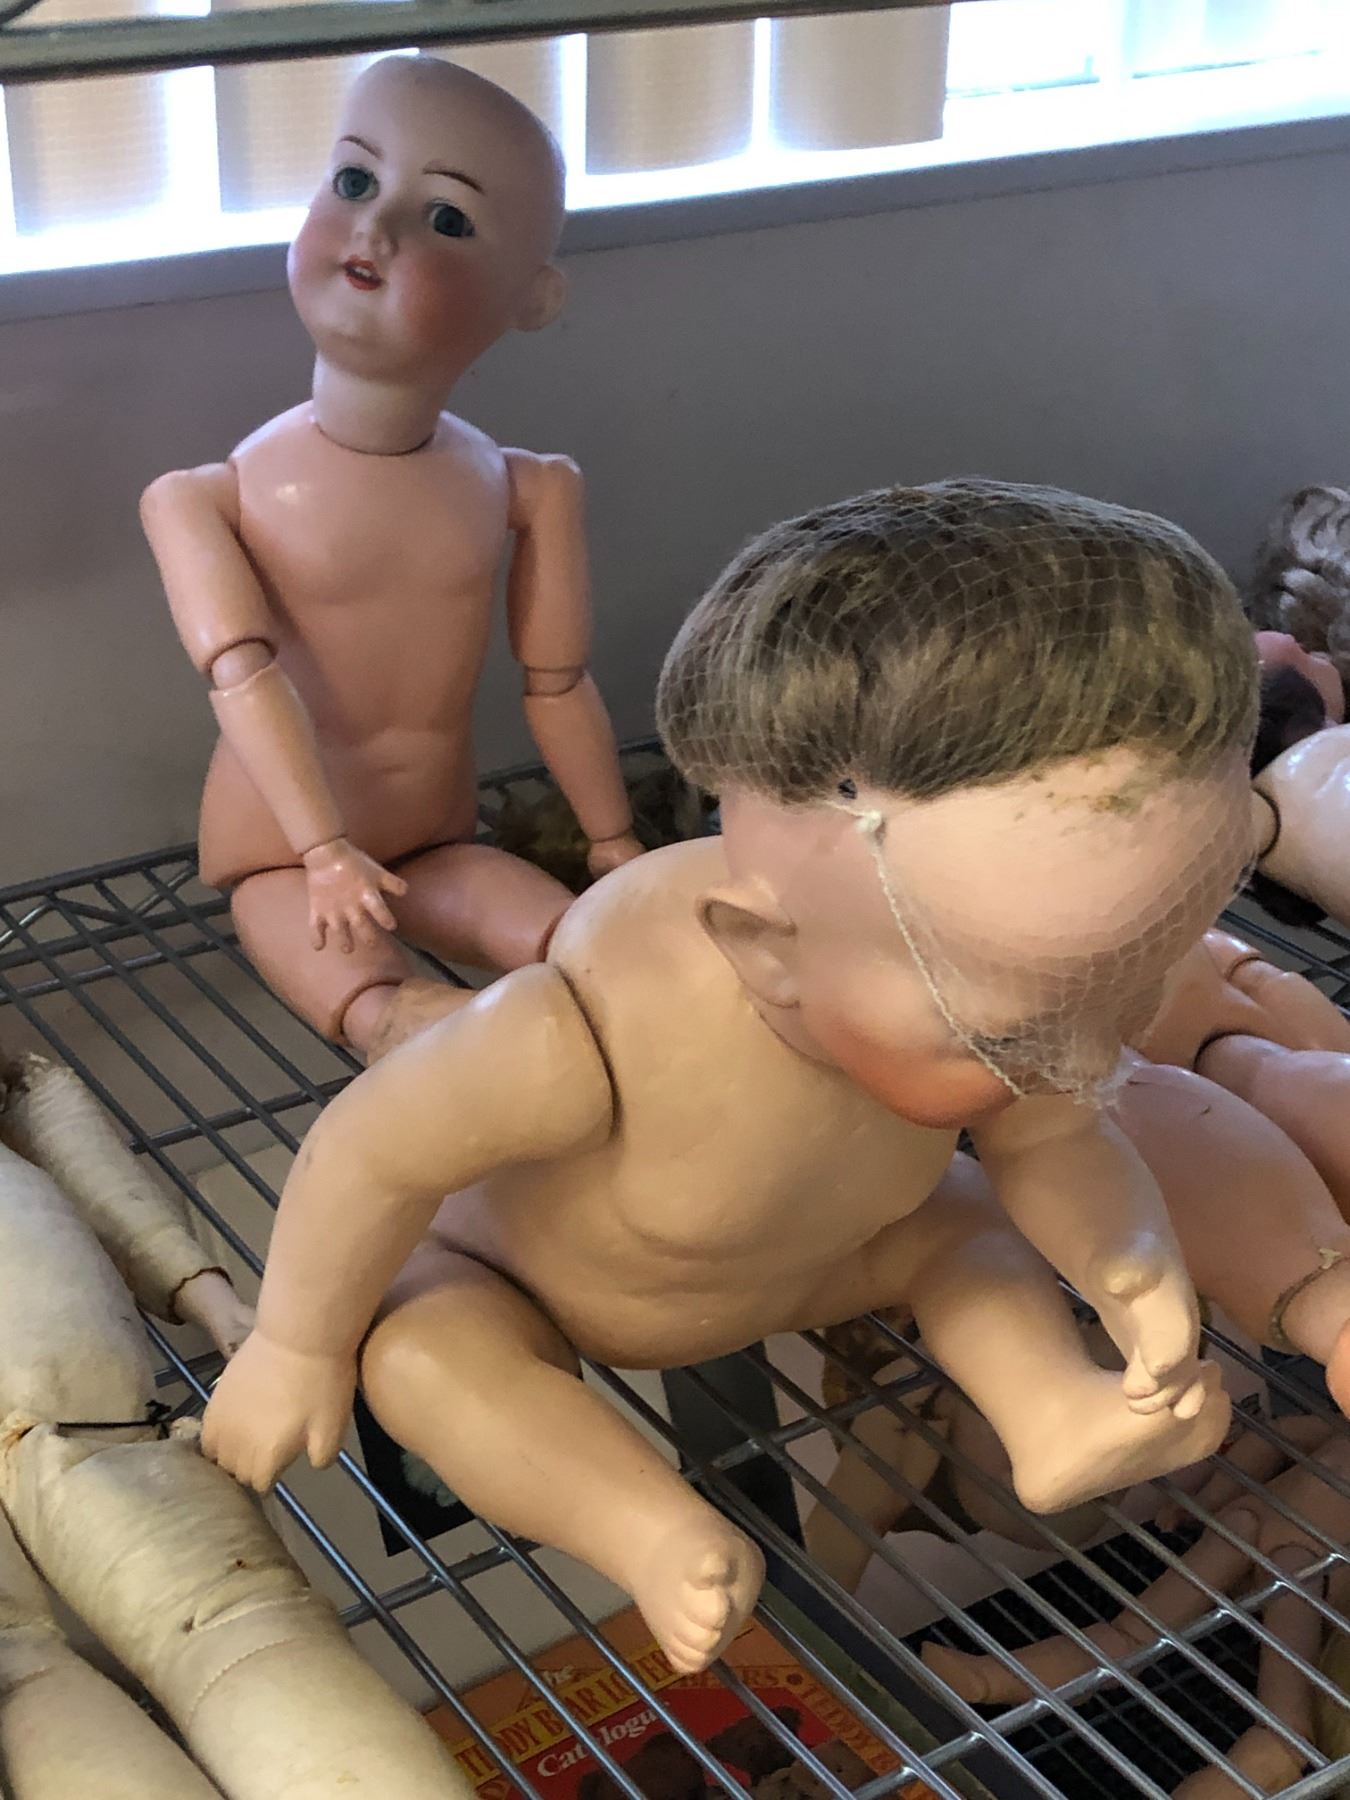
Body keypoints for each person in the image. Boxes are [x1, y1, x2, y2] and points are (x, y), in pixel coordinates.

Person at [203, 479, 1256, 1671]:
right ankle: (647, 1527)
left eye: (1127, 988)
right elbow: (370, 1149)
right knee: (422, 1353)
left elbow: (1058, 1138)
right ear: (768, 951)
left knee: (967, 1222)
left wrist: (1130, 1267)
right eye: (1012, 1031)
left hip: (836, 1252)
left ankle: (1050, 1407)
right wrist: (294, 1345)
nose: (1088, 1054)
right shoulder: (587, 1029)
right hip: (545, 1292)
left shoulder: (1027, 1013)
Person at [142, 54, 641, 1059]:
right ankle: (427, 1046)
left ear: (533, 296)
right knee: (387, 1006)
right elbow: (243, 678)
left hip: (435, 841)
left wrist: (615, 844)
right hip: (283, 858)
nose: (375, 229)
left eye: (447, 218)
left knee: (603, 953)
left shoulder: (525, 486)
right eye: (354, 181)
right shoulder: (205, 498)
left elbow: (557, 681)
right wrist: (324, 851)